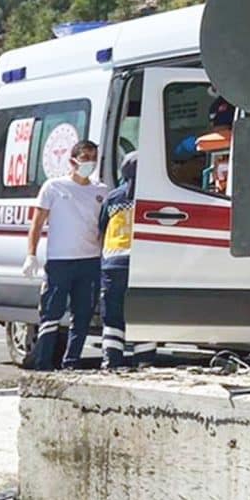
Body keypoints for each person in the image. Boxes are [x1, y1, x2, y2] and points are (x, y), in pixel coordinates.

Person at [22, 140, 109, 370]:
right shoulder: (54, 187)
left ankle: (71, 363)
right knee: (51, 314)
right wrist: (30, 255)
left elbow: (102, 226)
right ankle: (43, 363)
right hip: (60, 262)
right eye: (85, 157)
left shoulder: (100, 190)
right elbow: (37, 223)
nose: (89, 162)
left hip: (89, 261)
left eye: (93, 157)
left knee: (82, 315)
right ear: (72, 160)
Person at [98, 153, 137, 371]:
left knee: (113, 314)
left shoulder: (113, 198)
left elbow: (101, 227)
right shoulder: (151, 196)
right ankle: (144, 360)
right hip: (141, 263)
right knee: (142, 313)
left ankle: (111, 360)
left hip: (113, 263)